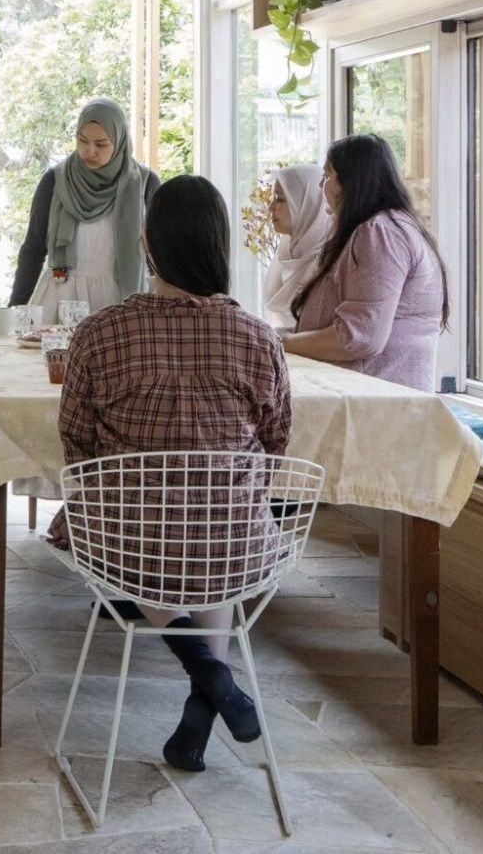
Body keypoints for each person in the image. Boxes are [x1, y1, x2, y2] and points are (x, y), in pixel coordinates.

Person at [48, 175, 291, 772]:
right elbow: (277, 442)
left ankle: (207, 672)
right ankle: (209, 688)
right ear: (220, 245)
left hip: (129, 542)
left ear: (147, 243)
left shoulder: (100, 334)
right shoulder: (259, 339)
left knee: (129, 532)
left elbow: (76, 444)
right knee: (211, 535)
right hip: (233, 541)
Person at [282, 134, 448, 392]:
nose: (322, 187)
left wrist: (282, 342)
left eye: (327, 176)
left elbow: (359, 337)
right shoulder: (380, 230)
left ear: (351, 182)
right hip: (368, 396)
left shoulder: (380, 233)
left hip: (377, 402)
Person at [9, 98, 159, 315]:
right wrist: (15, 309)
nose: (90, 151)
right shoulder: (55, 180)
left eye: (101, 144)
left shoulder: (144, 184)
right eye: (82, 140)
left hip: (120, 303)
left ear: (119, 142)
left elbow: (159, 255)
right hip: (60, 300)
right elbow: (33, 250)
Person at [258, 164, 334, 328]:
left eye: (279, 199)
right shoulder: (284, 253)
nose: (270, 208)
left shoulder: (329, 263)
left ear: (306, 204)